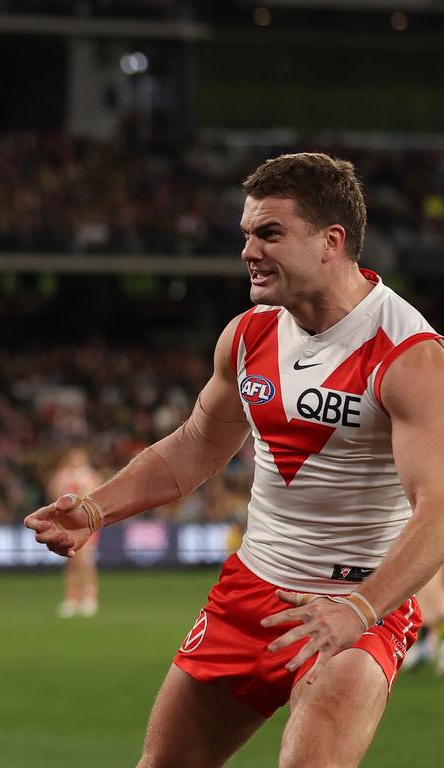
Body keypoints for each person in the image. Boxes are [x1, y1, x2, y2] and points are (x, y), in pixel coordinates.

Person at [25, 153, 444, 768]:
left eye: (269, 233)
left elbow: (438, 508)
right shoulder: (250, 334)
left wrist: (359, 611)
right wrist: (94, 509)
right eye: (245, 233)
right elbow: (195, 445)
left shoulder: (408, 355)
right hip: (248, 593)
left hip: (355, 603)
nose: (249, 250)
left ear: (332, 242)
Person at [46, 448, 103, 618]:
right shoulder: (63, 475)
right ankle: (72, 597)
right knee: (71, 560)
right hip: (67, 523)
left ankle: (90, 596)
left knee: (86, 560)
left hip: (86, 523)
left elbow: (93, 495)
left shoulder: (91, 475)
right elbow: (53, 493)